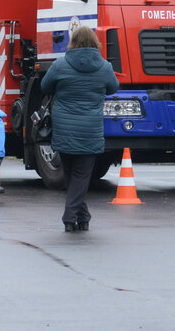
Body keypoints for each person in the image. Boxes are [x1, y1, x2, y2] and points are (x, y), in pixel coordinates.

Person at [40, 26, 120, 232]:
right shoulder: (104, 67)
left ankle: (78, 216)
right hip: (89, 129)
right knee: (81, 176)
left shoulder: (60, 65)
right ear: (95, 42)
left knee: (70, 174)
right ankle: (74, 216)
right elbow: (113, 87)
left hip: (64, 128)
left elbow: (45, 87)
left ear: (73, 42)